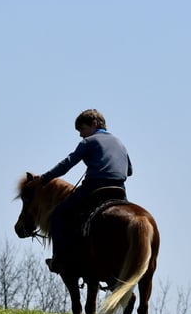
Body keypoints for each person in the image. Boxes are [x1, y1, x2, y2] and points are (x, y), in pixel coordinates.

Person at [39, 109, 133, 273]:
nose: (81, 135)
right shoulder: (119, 142)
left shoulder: (88, 142)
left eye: (82, 129)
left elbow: (67, 164)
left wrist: (43, 179)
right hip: (119, 190)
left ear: (94, 124)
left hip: (94, 187)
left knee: (58, 215)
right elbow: (129, 171)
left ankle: (59, 259)